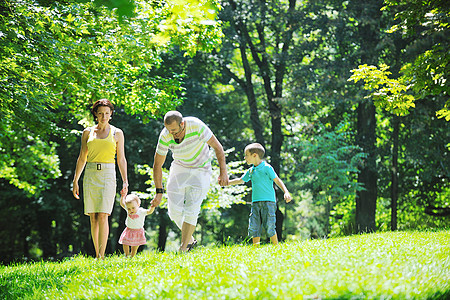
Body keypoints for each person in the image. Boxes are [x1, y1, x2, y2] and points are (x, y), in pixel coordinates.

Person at [151, 111, 229, 252]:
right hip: (180, 167)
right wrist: (159, 192)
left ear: (182, 124)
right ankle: (190, 240)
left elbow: (218, 147)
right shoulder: (165, 135)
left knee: (191, 209)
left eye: (174, 130)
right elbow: (157, 165)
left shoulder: (197, 126)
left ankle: (183, 248)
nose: (171, 134)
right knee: (174, 212)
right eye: (169, 130)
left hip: (201, 169)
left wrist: (223, 172)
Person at [72, 99, 128, 260]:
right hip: (90, 174)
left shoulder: (117, 133)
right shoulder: (87, 133)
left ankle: (102, 256)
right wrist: (75, 180)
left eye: (107, 113)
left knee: (103, 214)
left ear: (111, 115)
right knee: (93, 216)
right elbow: (82, 158)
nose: (104, 116)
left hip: (108, 174)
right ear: (95, 115)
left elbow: (121, 159)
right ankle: (97, 254)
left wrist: (125, 181)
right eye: (100, 113)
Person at [227, 143, 292, 246]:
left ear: (255, 155)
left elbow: (277, 180)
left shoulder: (267, 168)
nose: (245, 158)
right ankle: (255, 248)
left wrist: (286, 192)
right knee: (254, 226)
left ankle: (276, 247)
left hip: (269, 202)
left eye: (246, 155)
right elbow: (240, 180)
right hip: (255, 203)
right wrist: (227, 182)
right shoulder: (251, 170)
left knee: (270, 225)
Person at [119, 193, 155, 257]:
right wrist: (122, 196)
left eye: (133, 208)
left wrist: (153, 206)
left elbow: (149, 211)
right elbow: (122, 203)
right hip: (128, 230)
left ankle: (132, 256)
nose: (131, 210)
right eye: (129, 208)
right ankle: (127, 255)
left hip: (138, 231)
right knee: (124, 242)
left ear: (138, 205)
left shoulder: (141, 211)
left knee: (134, 246)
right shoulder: (128, 210)